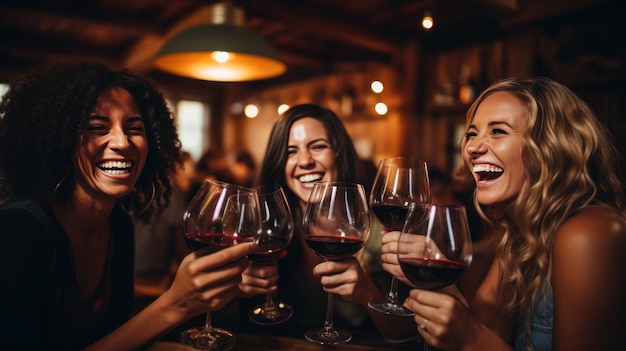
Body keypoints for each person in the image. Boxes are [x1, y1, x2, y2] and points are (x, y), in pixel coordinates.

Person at [0, 59, 269, 350]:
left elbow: (115, 338)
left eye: (134, 128)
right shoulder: (19, 230)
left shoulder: (118, 225)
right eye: (97, 127)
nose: (122, 142)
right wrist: (175, 305)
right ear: (60, 140)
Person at [381, 77, 626, 350]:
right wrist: (434, 271)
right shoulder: (519, 233)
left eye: (497, 131)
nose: (472, 147)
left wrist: (470, 336)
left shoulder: (591, 232)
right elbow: (484, 329)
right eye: (472, 133)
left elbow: (475, 338)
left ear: (550, 146)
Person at [241, 103, 418, 342]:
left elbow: (406, 334)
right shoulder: (268, 227)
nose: (304, 161)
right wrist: (238, 288)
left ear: (339, 152)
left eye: (317, 147)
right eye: (291, 151)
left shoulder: (381, 233)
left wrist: (367, 292)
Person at [133, 150, 195, 301]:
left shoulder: (120, 187)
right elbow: (181, 245)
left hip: (114, 280)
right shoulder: (170, 191)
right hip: (154, 281)